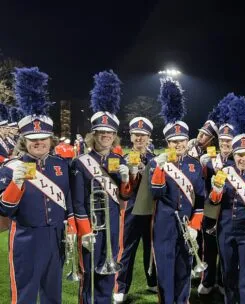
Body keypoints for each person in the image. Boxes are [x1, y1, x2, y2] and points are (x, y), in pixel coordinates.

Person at [0, 67, 78, 303]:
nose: (38, 144)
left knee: (53, 294)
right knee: (24, 294)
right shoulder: (11, 167)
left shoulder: (61, 165)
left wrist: (73, 227)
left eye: (43, 139)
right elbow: (5, 209)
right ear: (24, 141)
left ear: (50, 139)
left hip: (56, 237)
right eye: (33, 140)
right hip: (26, 238)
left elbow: (69, 199)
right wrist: (16, 184)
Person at [71, 70, 134, 304]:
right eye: (101, 132)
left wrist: (127, 180)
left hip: (113, 224)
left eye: (110, 133)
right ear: (93, 134)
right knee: (88, 274)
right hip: (91, 226)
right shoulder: (80, 162)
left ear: (115, 135)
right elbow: (77, 200)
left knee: (108, 272)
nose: (105, 136)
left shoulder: (120, 160)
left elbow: (125, 195)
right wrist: (85, 230)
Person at [149, 76, 206, 303]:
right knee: (165, 269)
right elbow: (156, 193)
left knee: (184, 267)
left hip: (187, 224)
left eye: (182, 140)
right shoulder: (157, 163)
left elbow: (200, 199)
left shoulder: (194, 165)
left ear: (186, 140)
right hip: (164, 224)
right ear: (167, 142)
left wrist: (194, 225)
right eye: (174, 141)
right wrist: (160, 168)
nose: (179, 144)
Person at [208, 133, 245, 304]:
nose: (243, 159)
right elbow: (212, 202)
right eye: (240, 155)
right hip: (225, 230)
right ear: (233, 155)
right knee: (227, 272)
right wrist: (216, 192)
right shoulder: (223, 173)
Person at [113, 116, 157, 303]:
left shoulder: (155, 160)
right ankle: (121, 287)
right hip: (130, 211)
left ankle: (153, 281)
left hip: (152, 211)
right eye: (136, 135)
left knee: (152, 246)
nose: (139, 139)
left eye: (143, 135)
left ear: (149, 138)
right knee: (126, 249)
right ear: (130, 137)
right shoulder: (119, 159)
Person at [198, 123, 235, 295]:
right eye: (222, 140)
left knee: (227, 249)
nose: (225, 143)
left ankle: (222, 280)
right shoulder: (210, 160)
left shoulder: (239, 160)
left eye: (229, 140)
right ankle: (207, 280)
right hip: (211, 208)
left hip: (230, 211)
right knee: (209, 248)